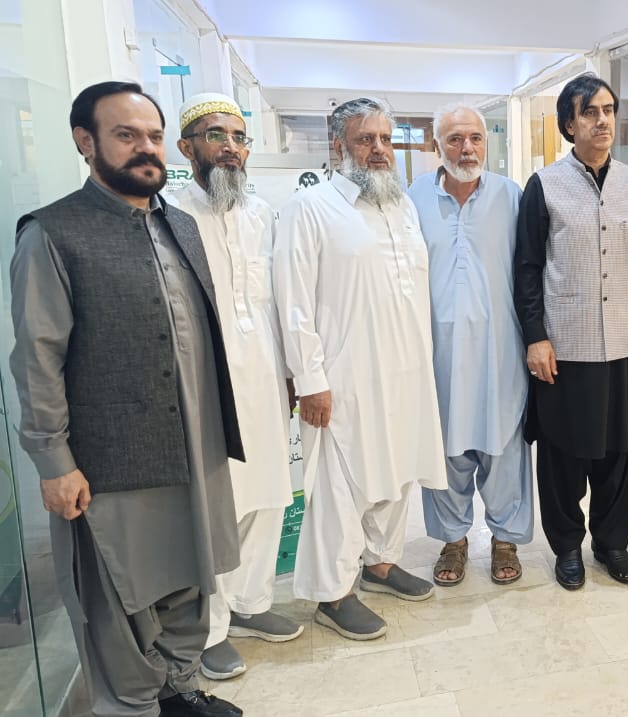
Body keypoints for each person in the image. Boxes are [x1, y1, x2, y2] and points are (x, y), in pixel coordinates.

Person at [9, 81, 243, 717]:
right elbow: (37, 356)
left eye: (155, 136)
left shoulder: (180, 225)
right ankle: (132, 706)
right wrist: (54, 462)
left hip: (193, 448)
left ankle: (178, 691)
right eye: (126, 135)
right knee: (121, 600)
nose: (146, 148)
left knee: (191, 580)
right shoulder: (53, 233)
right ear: (85, 142)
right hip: (110, 459)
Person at [275, 98, 448, 640]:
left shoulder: (401, 207)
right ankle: (333, 593)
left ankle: (380, 564)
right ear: (338, 146)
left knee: (397, 471)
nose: (378, 150)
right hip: (344, 376)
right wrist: (310, 380)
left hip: (406, 369)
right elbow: (293, 303)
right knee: (340, 485)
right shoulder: (309, 208)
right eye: (365, 139)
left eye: (385, 140)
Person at [170, 93, 302, 681]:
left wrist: (293, 371)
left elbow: (279, 299)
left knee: (270, 491)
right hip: (207, 380)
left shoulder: (263, 213)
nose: (230, 147)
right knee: (221, 503)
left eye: (239, 137)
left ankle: (251, 602)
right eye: (215, 135)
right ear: (187, 147)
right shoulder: (169, 214)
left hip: (265, 374)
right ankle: (211, 627)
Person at [513, 73, 628, 590]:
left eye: (608, 110)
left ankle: (612, 543)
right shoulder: (544, 185)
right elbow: (527, 268)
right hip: (565, 344)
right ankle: (568, 546)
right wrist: (535, 336)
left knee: (621, 450)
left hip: (621, 341)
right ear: (569, 125)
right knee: (563, 452)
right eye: (590, 112)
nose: (602, 121)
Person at [408, 104, 532, 587]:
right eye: (455, 139)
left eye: (476, 138)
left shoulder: (511, 195)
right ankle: (453, 540)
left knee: (503, 446)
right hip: (436, 349)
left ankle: (505, 539)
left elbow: (530, 271)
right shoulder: (412, 199)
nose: (467, 149)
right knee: (445, 447)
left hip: (501, 348)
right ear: (436, 145)